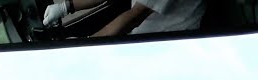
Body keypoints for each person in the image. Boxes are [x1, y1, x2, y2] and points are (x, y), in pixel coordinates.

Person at [42, 0, 203, 36]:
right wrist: (66, 6)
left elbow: (133, 18)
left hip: (162, 36)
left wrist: (86, 45)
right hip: (137, 13)